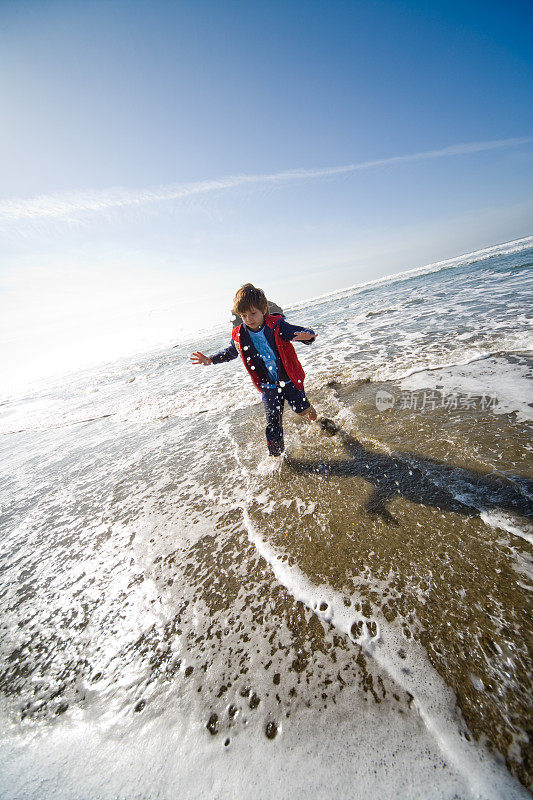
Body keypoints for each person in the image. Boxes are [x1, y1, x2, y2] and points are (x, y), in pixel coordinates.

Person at [191, 283, 318, 456]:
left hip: (288, 380)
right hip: (268, 386)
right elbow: (230, 352)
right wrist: (210, 359)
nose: (249, 319)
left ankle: (308, 408)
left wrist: (308, 336)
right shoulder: (239, 335)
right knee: (273, 421)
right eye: (244, 315)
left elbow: (299, 332)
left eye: (253, 313)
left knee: (301, 411)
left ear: (264, 310)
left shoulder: (277, 326)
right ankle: (276, 456)